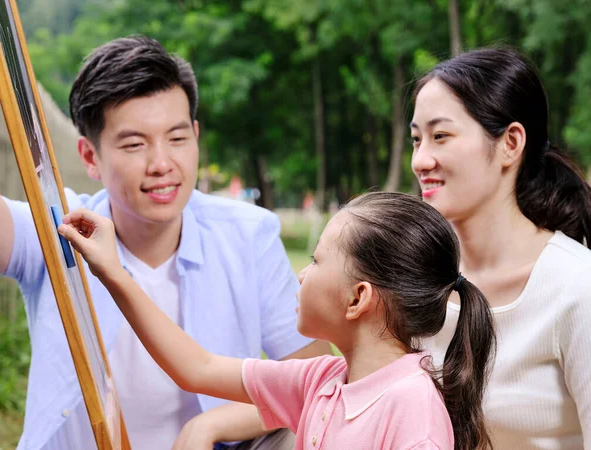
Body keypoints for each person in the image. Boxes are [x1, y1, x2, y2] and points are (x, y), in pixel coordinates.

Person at [0, 35, 331, 450]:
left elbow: (320, 381)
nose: (161, 164)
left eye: (176, 138)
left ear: (196, 134)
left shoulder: (247, 234)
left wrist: (211, 425)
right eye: (134, 144)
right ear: (89, 156)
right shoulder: (59, 229)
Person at [58, 191, 496, 450]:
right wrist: (113, 271)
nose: (302, 274)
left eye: (317, 260)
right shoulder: (321, 381)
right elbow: (199, 369)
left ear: (357, 298)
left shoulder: (412, 408)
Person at [410, 47, 591, 449]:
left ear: (510, 143)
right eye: (416, 139)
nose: (421, 160)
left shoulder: (577, 287)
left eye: (441, 136)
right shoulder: (417, 279)